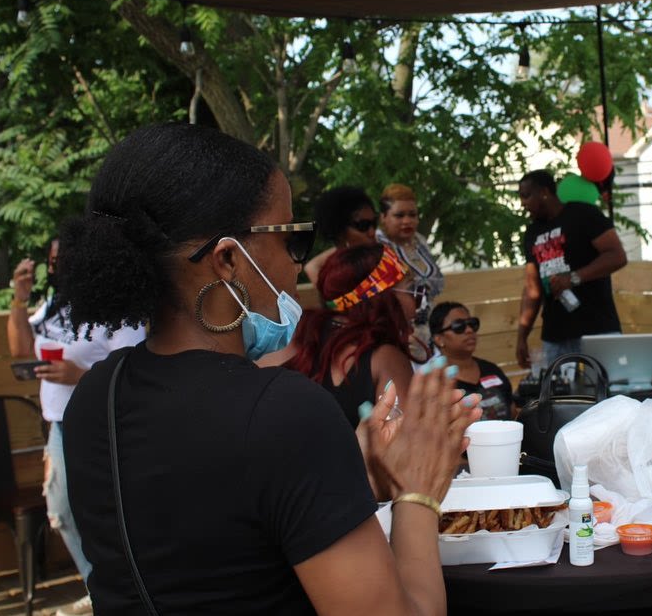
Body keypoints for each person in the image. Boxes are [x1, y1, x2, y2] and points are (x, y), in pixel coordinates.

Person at [55, 122, 479, 615]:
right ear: (228, 260)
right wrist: (417, 494)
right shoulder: (285, 412)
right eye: (291, 239)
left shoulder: (95, 396)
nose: (298, 265)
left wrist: (349, 474)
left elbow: (214, 544)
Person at [7, 240, 145, 616]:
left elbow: (132, 375)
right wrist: (19, 299)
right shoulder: (55, 305)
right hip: (60, 425)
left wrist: (79, 375)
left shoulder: (117, 310)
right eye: (52, 261)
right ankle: (99, 589)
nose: (57, 268)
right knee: (61, 511)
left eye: (64, 259)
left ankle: (124, 594)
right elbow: (20, 349)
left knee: (112, 514)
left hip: (104, 428)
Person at [287, 243, 420, 427]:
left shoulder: (295, 333)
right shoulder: (387, 359)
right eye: (413, 291)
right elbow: (403, 440)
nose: (419, 301)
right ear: (383, 296)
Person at [515, 169, 627, 370]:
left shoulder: (583, 214)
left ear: (544, 192)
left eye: (526, 196)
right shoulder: (532, 232)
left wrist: (574, 277)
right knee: (557, 390)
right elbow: (533, 289)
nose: (523, 203)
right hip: (555, 337)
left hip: (597, 329)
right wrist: (522, 336)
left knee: (607, 387)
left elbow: (617, 256)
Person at [430, 301, 514, 420]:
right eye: (458, 326)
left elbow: (513, 411)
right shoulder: (434, 381)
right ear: (439, 339)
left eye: (472, 324)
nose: (469, 330)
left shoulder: (491, 369)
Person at [377, 183, 444, 309]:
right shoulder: (376, 246)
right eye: (399, 215)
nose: (407, 221)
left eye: (412, 215)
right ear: (383, 217)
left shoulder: (419, 241)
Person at [303, 186, 378, 285]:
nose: (372, 232)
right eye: (363, 226)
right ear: (340, 232)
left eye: (374, 223)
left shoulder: (378, 257)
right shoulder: (338, 277)